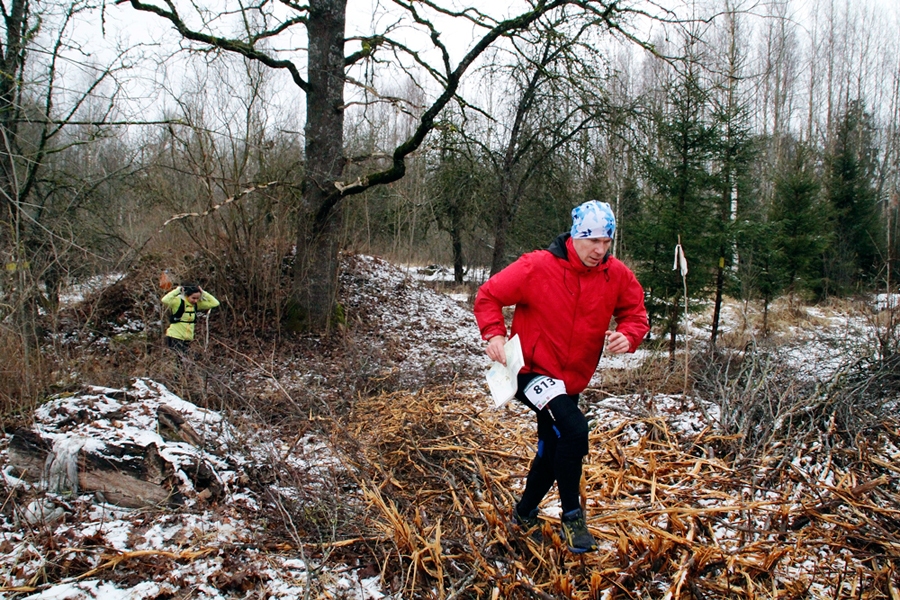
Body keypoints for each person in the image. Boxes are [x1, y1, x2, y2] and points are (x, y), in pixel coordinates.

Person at [473, 200, 649, 553]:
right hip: (531, 371)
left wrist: (628, 335)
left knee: (555, 447)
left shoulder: (615, 275)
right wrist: (494, 333)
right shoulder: (537, 266)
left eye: (607, 242)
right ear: (575, 236)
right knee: (573, 430)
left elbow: (636, 312)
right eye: (593, 241)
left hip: (572, 381)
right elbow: (488, 295)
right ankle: (573, 517)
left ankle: (523, 513)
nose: (600, 251)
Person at [161, 283, 220, 353]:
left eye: (197, 298)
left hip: (187, 338)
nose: (195, 301)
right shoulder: (178, 302)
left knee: (185, 360)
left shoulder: (196, 305)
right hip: (175, 336)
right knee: (181, 359)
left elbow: (215, 303)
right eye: (193, 298)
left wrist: (203, 293)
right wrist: (177, 290)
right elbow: (164, 300)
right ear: (187, 295)